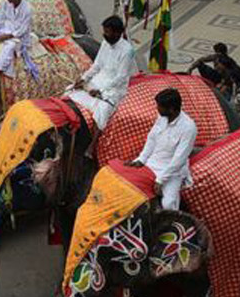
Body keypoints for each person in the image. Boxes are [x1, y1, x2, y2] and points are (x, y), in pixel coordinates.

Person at [67, 16, 136, 155]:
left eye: (108, 32)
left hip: (114, 88)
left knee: (103, 112)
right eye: (104, 32)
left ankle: (92, 146)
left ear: (118, 33)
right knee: (69, 90)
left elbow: (121, 77)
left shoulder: (127, 50)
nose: (105, 35)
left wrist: (100, 90)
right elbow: (97, 65)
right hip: (99, 80)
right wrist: (84, 79)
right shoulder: (105, 43)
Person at [127, 88, 197, 210]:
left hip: (172, 172)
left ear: (171, 109)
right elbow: (151, 139)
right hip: (152, 164)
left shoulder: (189, 127)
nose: (157, 109)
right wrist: (141, 159)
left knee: (168, 204)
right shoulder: (161, 117)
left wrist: (160, 180)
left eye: (159, 106)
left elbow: (179, 159)